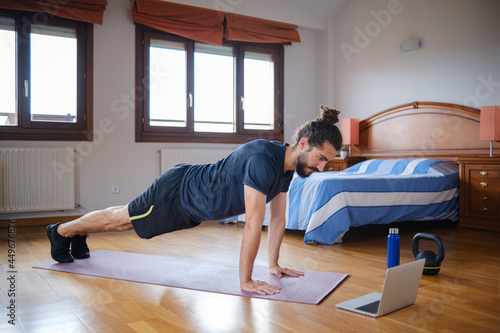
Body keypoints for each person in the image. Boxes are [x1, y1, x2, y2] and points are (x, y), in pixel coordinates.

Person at [46, 105, 342, 295]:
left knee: (122, 217)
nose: (321, 167)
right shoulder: (263, 160)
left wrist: (274, 264)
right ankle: (61, 231)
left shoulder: (287, 168)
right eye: (320, 158)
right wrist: (246, 281)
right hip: (177, 194)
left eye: (326, 162)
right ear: (303, 144)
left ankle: (77, 231)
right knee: (122, 221)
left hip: (190, 204)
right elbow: (253, 223)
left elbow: (278, 218)